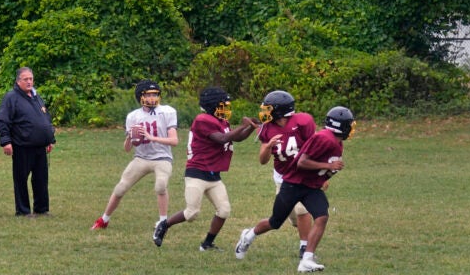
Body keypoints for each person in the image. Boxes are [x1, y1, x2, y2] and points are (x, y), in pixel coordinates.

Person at [234, 106, 356, 273]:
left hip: (311, 187)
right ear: (340, 125)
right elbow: (302, 162)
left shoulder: (335, 141)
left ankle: (307, 259)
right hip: (293, 184)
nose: (352, 127)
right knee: (274, 222)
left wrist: (323, 177)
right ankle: (248, 236)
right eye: (350, 124)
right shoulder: (324, 138)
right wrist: (328, 166)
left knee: (321, 217)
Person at [152, 87, 258, 251]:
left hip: (213, 175)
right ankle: (164, 225)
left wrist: (250, 127)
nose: (226, 108)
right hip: (197, 172)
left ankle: (207, 243)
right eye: (223, 104)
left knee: (224, 210)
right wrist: (242, 125)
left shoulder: (221, 121)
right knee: (191, 213)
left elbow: (235, 138)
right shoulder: (202, 119)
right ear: (213, 105)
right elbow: (222, 139)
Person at [90, 80, 178, 230]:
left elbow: (174, 141)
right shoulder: (133, 116)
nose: (152, 98)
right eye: (149, 95)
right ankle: (104, 219)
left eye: (155, 94)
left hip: (162, 158)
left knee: (161, 186)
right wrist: (130, 136)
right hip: (141, 158)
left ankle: (163, 222)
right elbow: (127, 149)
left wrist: (151, 137)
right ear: (140, 96)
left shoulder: (168, 111)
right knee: (120, 188)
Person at [241, 90, 316, 259]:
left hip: (303, 174)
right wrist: (268, 146)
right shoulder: (267, 128)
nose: (265, 112)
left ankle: (305, 250)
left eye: (268, 109)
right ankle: (248, 236)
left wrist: (320, 174)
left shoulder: (303, 122)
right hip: (283, 177)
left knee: (302, 210)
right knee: (282, 220)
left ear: (280, 110)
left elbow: (314, 148)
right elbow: (262, 160)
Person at [0, 67, 55, 217]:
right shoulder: (11, 98)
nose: (29, 82)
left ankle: (41, 209)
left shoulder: (36, 97)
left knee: (41, 179)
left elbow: (46, 119)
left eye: (31, 78)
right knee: (21, 179)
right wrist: (5, 141)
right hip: (22, 146)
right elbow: (3, 121)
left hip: (40, 146)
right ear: (18, 81)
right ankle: (23, 211)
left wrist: (50, 139)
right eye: (25, 79)